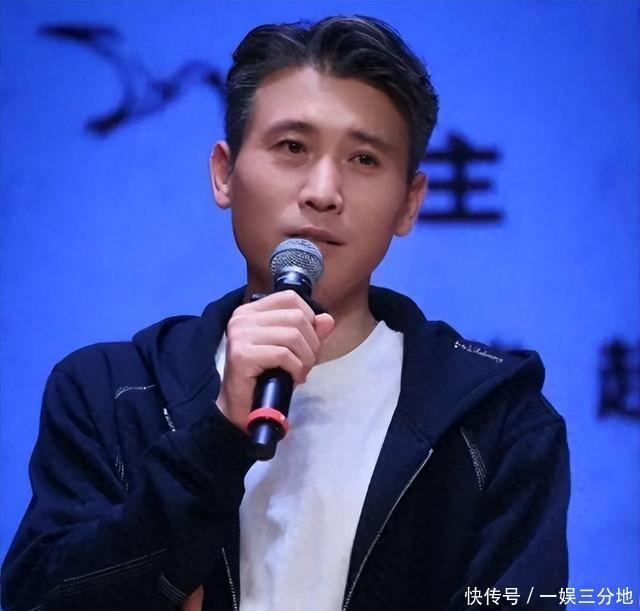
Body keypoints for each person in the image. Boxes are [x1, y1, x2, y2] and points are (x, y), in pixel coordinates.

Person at [1, 15, 570, 611]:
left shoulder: (496, 421)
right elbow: (41, 597)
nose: (323, 191)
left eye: (364, 159)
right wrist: (217, 438)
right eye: (293, 147)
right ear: (224, 173)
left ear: (409, 203)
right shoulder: (110, 395)